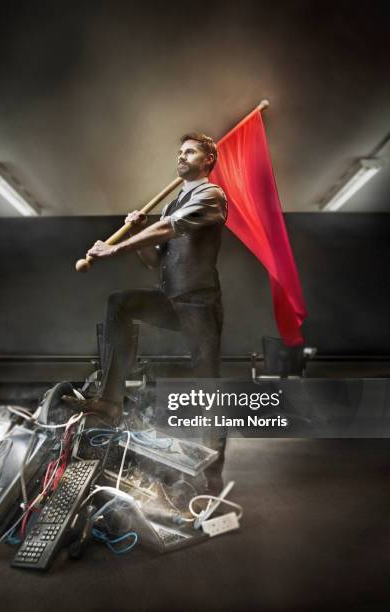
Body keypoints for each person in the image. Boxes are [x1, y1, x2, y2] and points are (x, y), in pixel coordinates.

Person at [81, 132, 227, 489]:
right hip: (171, 298)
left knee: (207, 388)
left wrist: (116, 249)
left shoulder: (211, 195)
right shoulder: (172, 203)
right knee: (121, 302)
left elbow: (170, 229)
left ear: (207, 160)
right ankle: (110, 399)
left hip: (199, 303)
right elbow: (154, 260)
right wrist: (139, 229)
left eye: (190, 152)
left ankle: (213, 476)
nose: (181, 156)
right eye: (179, 152)